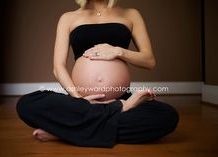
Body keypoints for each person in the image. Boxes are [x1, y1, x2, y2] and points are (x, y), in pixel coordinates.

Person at [16, 0, 179, 148]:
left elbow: (149, 61)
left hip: (121, 97)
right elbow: (58, 67)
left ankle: (63, 133)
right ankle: (118, 110)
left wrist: (118, 51)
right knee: (26, 103)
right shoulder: (68, 18)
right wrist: (79, 100)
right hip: (81, 100)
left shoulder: (131, 14)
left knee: (167, 116)